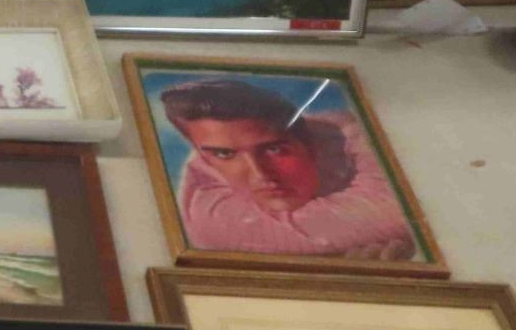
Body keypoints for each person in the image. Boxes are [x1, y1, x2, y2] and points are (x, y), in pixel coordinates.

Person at [160, 77, 417, 261]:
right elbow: (394, 216)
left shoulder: (352, 135)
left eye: (274, 150)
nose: (261, 175)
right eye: (225, 154)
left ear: (311, 143)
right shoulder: (208, 210)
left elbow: (397, 212)